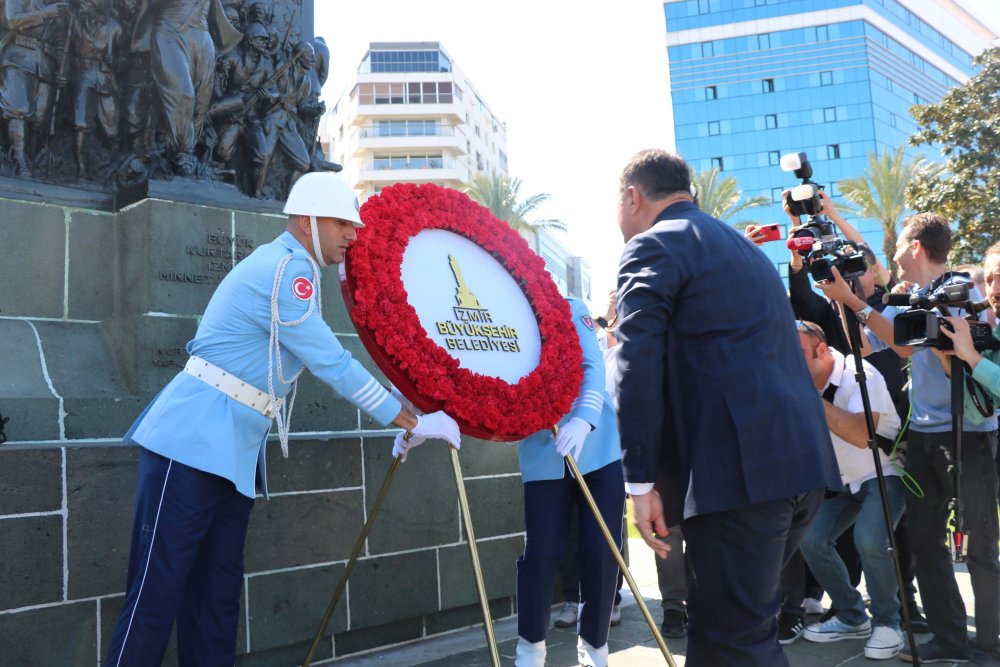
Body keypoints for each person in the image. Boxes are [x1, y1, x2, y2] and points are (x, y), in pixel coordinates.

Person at [103, 172, 462, 666]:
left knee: (215, 603)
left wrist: (406, 410)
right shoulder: (285, 271)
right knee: (154, 598)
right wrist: (411, 421)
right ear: (307, 219)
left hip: (229, 456)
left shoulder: (297, 271)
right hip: (188, 447)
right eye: (342, 223)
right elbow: (330, 361)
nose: (353, 235)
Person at [613, 149, 841, 666]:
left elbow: (636, 364)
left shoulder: (653, 246)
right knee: (743, 634)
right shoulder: (743, 250)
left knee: (730, 643)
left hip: (741, 477)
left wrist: (640, 482)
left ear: (632, 196)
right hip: (796, 465)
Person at [817, 214, 999, 665]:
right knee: (922, 540)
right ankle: (949, 639)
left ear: (916, 247)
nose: (894, 252)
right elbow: (870, 344)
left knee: (979, 547)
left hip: (969, 434)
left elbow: (905, 342)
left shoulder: (963, 292)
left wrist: (860, 305)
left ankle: (990, 643)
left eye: (899, 243)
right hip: (921, 435)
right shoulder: (909, 298)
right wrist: (846, 297)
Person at [515, 297, 625, 667]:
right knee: (542, 552)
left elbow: (592, 366)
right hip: (544, 451)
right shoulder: (500, 315)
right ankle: (530, 649)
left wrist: (583, 418)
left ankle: (594, 648)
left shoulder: (568, 306)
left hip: (598, 447)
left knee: (599, 551)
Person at [793, 320, 906, 660]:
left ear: (822, 350)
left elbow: (861, 435)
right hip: (841, 479)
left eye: (796, 354)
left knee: (870, 540)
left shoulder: (861, 375)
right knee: (809, 539)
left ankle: (889, 624)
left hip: (884, 470)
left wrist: (808, 397)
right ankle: (851, 615)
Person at [941, 242, 1000, 511]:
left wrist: (973, 358)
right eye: (989, 280)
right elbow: (980, 412)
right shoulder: (994, 336)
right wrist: (946, 356)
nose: (995, 289)